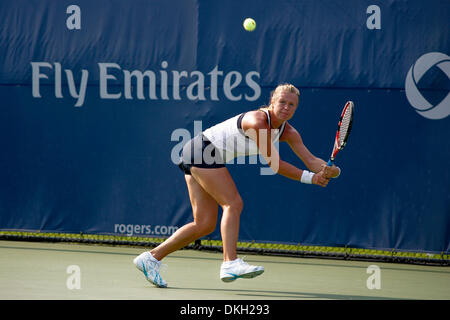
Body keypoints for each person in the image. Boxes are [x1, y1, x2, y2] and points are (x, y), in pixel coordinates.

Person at [133, 83, 341, 288]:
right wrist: (311, 178)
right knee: (233, 203)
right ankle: (230, 263)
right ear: (272, 102)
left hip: (197, 153)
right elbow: (275, 164)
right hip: (202, 151)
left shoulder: (289, 132)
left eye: (292, 105)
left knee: (204, 224)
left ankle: (151, 258)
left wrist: (332, 170)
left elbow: (311, 160)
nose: (286, 107)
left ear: (296, 108)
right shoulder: (257, 121)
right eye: (282, 102)